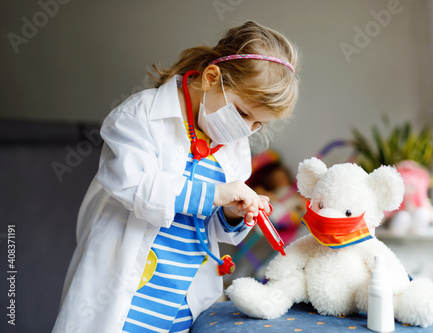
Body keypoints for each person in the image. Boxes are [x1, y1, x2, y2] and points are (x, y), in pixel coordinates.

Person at [52, 21, 299, 333]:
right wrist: (214, 194)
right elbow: (130, 184)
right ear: (212, 78)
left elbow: (220, 232)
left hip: (181, 305)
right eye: (243, 113)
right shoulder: (142, 115)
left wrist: (232, 212)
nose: (247, 130)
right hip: (125, 301)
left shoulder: (234, 150)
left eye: (258, 124)